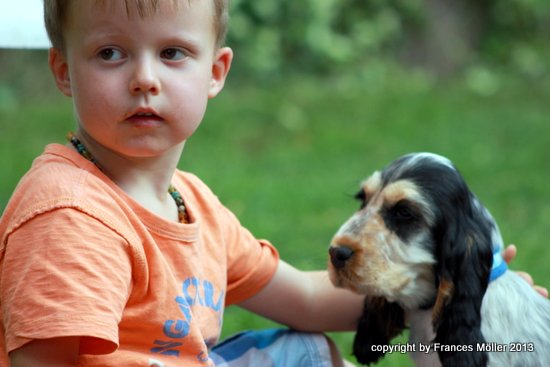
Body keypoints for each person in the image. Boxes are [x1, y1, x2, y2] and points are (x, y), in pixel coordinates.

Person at [0, 1, 546, 366]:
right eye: (110, 53)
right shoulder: (67, 215)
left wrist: (455, 289)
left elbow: (307, 299)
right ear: (64, 70)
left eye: (172, 53)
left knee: (307, 349)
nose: (145, 78)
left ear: (215, 72)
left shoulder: (191, 204)